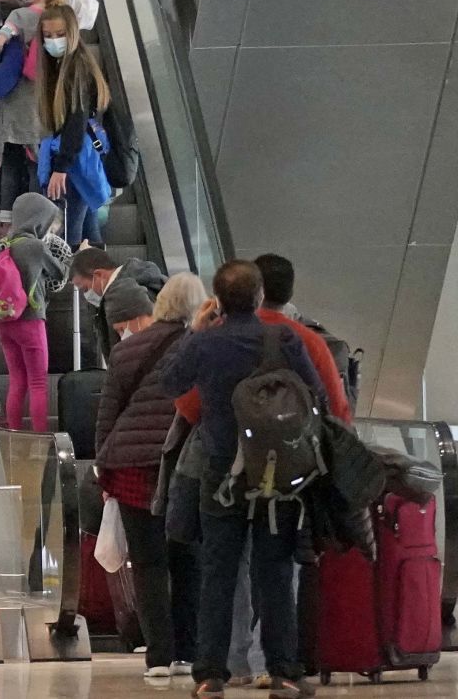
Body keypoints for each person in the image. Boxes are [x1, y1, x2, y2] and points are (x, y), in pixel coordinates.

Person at [162, 260, 326, 699]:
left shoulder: (206, 343)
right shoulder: (283, 337)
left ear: (216, 300)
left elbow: (169, 381)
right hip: (278, 472)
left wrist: (196, 331)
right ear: (258, 297)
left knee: (218, 570)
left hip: (220, 470)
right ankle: (285, 672)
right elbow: (317, 395)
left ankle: (210, 675)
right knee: (273, 569)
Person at [94, 275, 206, 680]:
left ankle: (158, 656)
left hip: (132, 466)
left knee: (147, 562)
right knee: (188, 557)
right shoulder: (203, 347)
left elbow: (108, 413)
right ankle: (189, 650)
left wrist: (104, 468)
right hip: (185, 464)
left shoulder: (128, 351)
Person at [36, 3, 110, 248]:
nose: (54, 41)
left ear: (72, 33)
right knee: (89, 233)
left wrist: (61, 167)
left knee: (71, 238)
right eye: (48, 36)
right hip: (82, 159)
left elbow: (75, 122)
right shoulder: (71, 66)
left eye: (60, 34)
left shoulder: (75, 70)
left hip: (75, 160)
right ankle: (101, 282)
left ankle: (78, 284)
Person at [0, 0, 54, 234]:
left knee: (12, 165)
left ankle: (6, 226)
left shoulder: (19, 15)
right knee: (37, 165)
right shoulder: (57, 16)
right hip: (45, 105)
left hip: (18, 104)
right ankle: (37, 227)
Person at [0, 193, 64, 431]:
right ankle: (40, 438)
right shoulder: (35, 246)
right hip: (31, 321)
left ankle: (13, 432)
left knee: (17, 380)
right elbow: (60, 272)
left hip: (5, 322)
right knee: (37, 382)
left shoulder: (2, 245)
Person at [254, 254, 353, 423]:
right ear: (289, 294)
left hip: (233, 443)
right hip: (294, 444)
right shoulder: (312, 342)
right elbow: (338, 410)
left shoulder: (223, 333)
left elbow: (193, 407)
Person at [68, 246, 166, 363]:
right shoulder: (145, 283)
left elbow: (136, 352)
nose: (86, 295)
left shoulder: (122, 295)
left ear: (98, 275)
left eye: (85, 288)